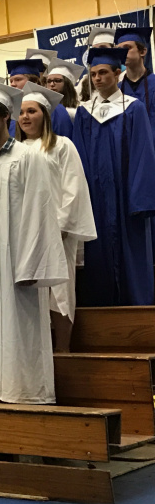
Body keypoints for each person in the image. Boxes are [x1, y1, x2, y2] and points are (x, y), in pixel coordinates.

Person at [0, 79, 66, 404]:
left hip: (17, 267)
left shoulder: (28, 158)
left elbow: (39, 212)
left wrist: (31, 264)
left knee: (22, 334)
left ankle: (30, 400)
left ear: (7, 117)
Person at [17, 83, 97, 352]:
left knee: (59, 293)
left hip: (55, 231)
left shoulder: (62, 146)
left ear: (46, 115)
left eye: (32, 111)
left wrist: (61, 225)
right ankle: (35, 353)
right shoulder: (13, 152)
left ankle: (63, 351)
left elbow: (73, 187)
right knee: (29, 293)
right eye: (22, 112)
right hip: (23, 234)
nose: (26, 117)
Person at [73, 47, 155, 307]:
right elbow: (79, 159)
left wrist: (139, 200)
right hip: (95, 198)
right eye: (94, 73)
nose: (97, 78)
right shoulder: (84, 113)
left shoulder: (134, 108)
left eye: (103, 73)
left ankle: (139, 309)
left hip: (126, 196)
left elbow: (143, 153)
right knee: (98, 255)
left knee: (132, 252)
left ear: (117, 74)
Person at [14, 53, 74, 137]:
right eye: (11, 81)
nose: (13, 84)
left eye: (18, 79)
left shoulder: (57, 109)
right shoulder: (14, 110)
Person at [117, 26, 155, 135]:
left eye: (127, 48)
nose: (122, 53)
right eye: (119, 49)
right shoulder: (117, 90)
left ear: (143, 51)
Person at [45, 59, 84, 127]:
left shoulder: (81, 109)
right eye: (49, 81)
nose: (52, 84)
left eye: (57, 80)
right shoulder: (43, 109)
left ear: (67, 84)